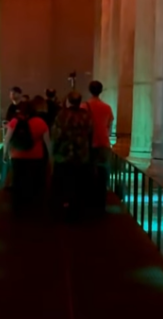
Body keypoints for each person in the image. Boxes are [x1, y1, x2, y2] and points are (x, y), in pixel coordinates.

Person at [51, 91, 94, 220]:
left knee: (63, 184)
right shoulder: (86, 116)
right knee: (79, 184)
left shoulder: (62, 115)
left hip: (63, 155)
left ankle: (63, 209)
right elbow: (91, 134)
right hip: (81, 155)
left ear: (68, 101)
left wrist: (53, 153)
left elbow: (56, 136)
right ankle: (78, 210)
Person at [3, 101, 51, 216]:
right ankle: (33, 210)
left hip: (17, 156)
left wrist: (5, 154)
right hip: (36, 158)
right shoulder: (40, 122)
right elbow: (48, 142)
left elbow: (7, 139)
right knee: (33, 183)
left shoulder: (14, 122)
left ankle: (17, 210)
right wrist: (50, 157)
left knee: (18, 183)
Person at [83, 80, 115, 211]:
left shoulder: (84, 107)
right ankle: (101, 202)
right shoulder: (107, 107)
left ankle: (89, 200)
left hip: (88, 144)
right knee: (103, 174)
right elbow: (109, 127)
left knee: (88, 173)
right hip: (103, 143)